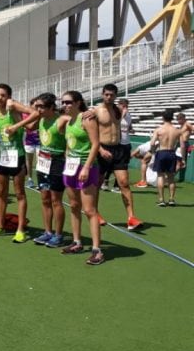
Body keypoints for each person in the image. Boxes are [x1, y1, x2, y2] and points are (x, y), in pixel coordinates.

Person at [0, 84, 37, 243]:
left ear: (9, 96)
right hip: (2, 156)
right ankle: (0, 225)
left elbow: (35, 113)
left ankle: (20, 229)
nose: (0, 98)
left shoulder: (13, 107)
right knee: (1, 193)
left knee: (20, 193)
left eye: (3, 95)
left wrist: (16, 126)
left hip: (17, 156)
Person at [59, 90, 103, 265]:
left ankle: (97, 250)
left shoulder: (87, 119)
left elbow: (96, 144)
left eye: (69, 102)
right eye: (63, 102)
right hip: (70, 167)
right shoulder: (69, 121)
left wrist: (86, 167)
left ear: (78, 103)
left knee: (90, 210)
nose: (65, 105)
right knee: (74, 206)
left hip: (86, 167)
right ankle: (76, 242)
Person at [94, 84, 143, 231]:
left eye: (112, 95)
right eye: (106, 94)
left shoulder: (118, 110)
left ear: (116, 96)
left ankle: (131, 217)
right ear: (102, 94)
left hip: (119, 149)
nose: (109, 97)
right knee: (97, 184)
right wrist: (100, 149)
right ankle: (95, 214)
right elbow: (91, 134)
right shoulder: (96, 111)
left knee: (124, 183)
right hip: (102, 150)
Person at [28, 93, 68, 247]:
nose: (38, 109)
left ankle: (58, 235)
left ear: (52, 107)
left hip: (57, 163)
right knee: (44, 199)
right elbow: (29, 126)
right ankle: (47, 232)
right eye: (36, 106)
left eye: (41, 107)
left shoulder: (61, 120)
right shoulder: (40, 119)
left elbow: (78, 119)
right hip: (42, 162)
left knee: (56, 201)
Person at [149, 110, 187, 206]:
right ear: (172, 118)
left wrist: (153, 151)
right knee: (171, 177)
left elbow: (152, 143)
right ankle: (171, 199)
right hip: (171, 153)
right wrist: (182, 159)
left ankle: (161, 200)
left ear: (163, 118)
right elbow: (182, 146)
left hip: (161, 152)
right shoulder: (177, 131)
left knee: (160, 176)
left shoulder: (158, 129)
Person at [23, 97, 40, 189]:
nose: (37, 107)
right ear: (31, 105)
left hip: (40, 141)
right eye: (36, 105)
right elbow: (27, 127)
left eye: (39, 106)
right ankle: (30, 179)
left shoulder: (42, 114)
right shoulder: (26, 115)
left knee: (39, 161)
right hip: (29, 141)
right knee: (29, 161)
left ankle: (39, 181)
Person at [175, 113, 193, 182]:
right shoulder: (182, 125)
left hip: (184, 144)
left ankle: (169, 178)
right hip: (179, 144)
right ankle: (170, 178)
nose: (177, 121)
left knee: (179, 163)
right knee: (177, 162)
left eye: (178, 120)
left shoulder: (187, 124)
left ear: (182, 118)